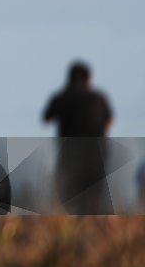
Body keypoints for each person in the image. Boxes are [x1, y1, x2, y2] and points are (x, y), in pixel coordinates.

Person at [42, 61, 114, 214]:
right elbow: (109, 120)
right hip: (97, 156)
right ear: (88, 79)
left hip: (70, 157)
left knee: (69, 199)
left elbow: (46, 118)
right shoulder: (99, 98)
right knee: (93, 199)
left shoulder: (61, 98)